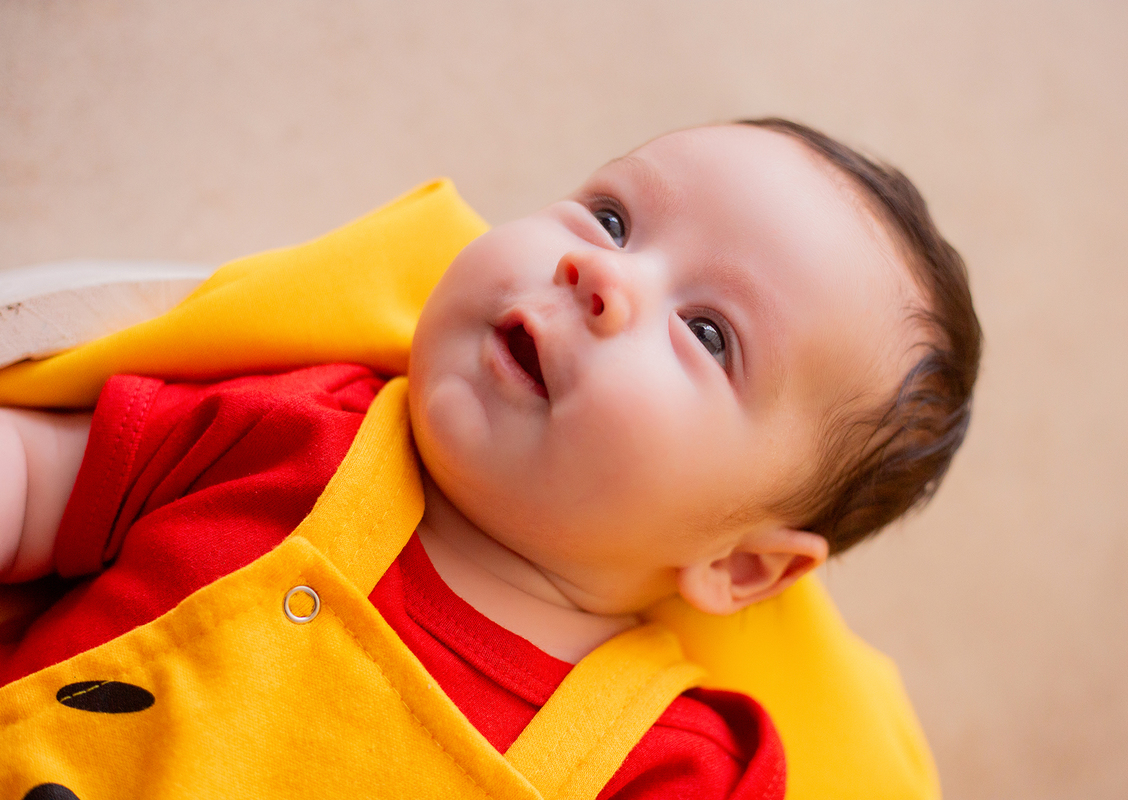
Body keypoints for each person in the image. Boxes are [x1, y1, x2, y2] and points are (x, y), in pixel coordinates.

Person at [0, 119, 980, 798]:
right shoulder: (303, 426)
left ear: (741, 565)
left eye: (710, 332)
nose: (600, 274)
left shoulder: (668, 762)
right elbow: (35, 481)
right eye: (611, 218)